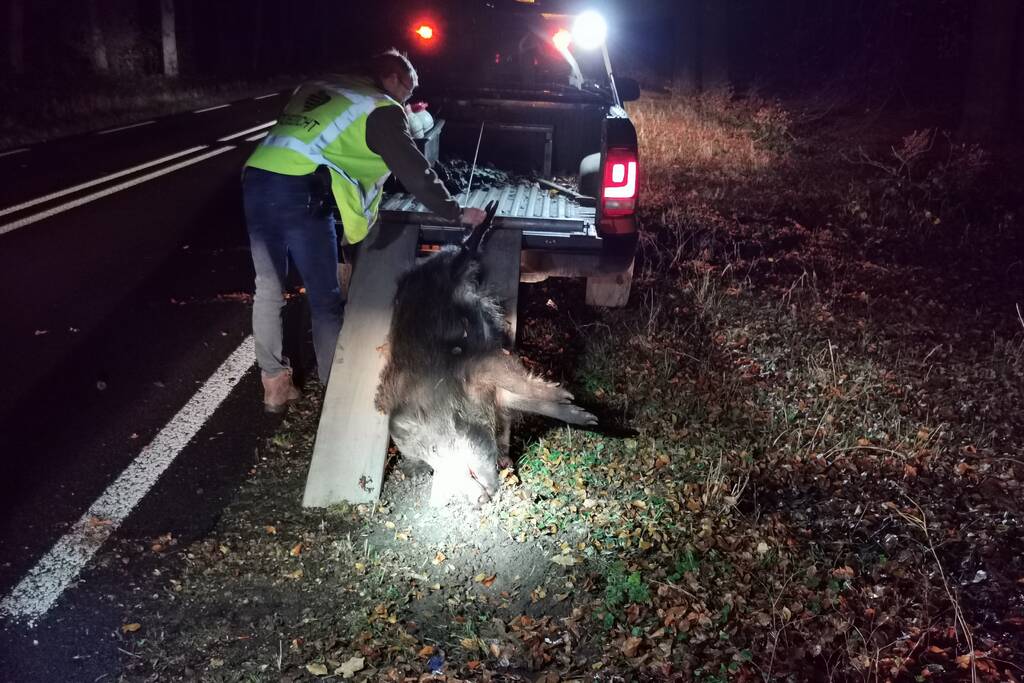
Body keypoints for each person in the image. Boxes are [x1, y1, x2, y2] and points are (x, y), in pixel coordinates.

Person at [242, 49, 487, 412]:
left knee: (268, 288)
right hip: (301, 190)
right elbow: (414, 169)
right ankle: (335, 391)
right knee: (325, 300)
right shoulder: (380, 108)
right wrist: (455, 212)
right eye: (408, 89)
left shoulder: (320, 86)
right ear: (392, 79)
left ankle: (275, 387)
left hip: (257, 177)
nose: (406, 100)